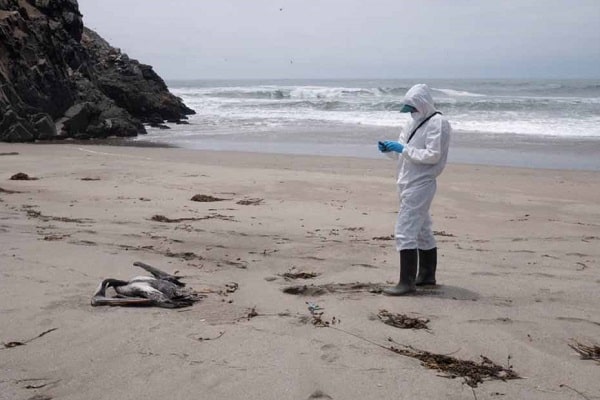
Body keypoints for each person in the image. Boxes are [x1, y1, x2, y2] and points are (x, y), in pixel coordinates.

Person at [377, 83, 451, 296]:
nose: (411, 112)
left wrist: (404, 149)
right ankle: (426, 275)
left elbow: (433, 155)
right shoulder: (412, 123)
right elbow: (402, 152)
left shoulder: (438, 123)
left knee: (405, 231)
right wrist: (389, 149)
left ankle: (406, 282)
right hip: (406, 181)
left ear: (423, 103)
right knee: (422, 229)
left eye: (413, 108)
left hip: (422, 183)